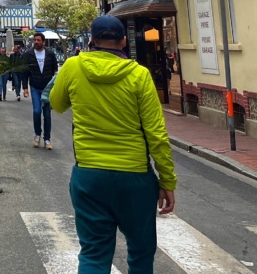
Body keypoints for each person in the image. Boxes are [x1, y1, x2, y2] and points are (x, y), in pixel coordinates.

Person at [49, 15, 177, 274]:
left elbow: (57, 103)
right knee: (141, 253)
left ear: (92, 40)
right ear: (122, 41)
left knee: (94, 254)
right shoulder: (140, 75)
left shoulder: (73, 67)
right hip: (135, 178)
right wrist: (167, 181)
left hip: (89, 175)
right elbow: (157, 134)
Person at [22, 32, 59, 149]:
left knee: (47, 114)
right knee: (37, 111)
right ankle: (37, 134)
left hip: (47, 89)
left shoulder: (50, 54)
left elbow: (55, 71)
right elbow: (25, 71)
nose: (36, 42)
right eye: (35, 40)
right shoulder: (29, 54)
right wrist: (25, 88)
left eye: (38, 40)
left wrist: (55, 87)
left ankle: (47, 139)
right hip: (35, 87)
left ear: (43, 42)